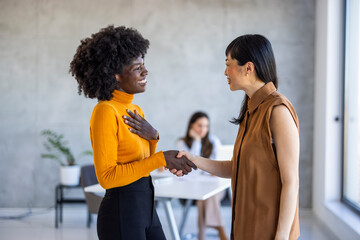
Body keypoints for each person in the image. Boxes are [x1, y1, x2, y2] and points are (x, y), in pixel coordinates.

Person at [69, 25, 196, 240]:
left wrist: (154, 138)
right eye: (137, 67)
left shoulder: (135, 110)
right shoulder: (105, 111)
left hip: (145, 208)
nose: (145, 71)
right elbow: (107, 178)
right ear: (116, 74)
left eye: (144, 65)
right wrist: (160, 158)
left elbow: (143, 163)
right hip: (121, 214)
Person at [174, 35, 300, 240]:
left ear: (248, 68)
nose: (225, 72)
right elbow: (238, 167)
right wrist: (195, 160)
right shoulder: (250, 111)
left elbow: (291, 181)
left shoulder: (278, 110)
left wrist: (282, 236)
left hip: (269, 230)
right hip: (244, 225)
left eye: (228, 64)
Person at [176, 111, 228, 240]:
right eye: (200, 125)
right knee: (203, 197)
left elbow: (218, 167)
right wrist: (197, 141)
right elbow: (192, 166)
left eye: (206, 126)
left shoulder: (214, 141)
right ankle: (220, 230)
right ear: (191, 125)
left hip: (215, 188)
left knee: (206, 197)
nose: (203, 129)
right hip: (194, 187)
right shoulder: (182, 143)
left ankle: (202, 236)